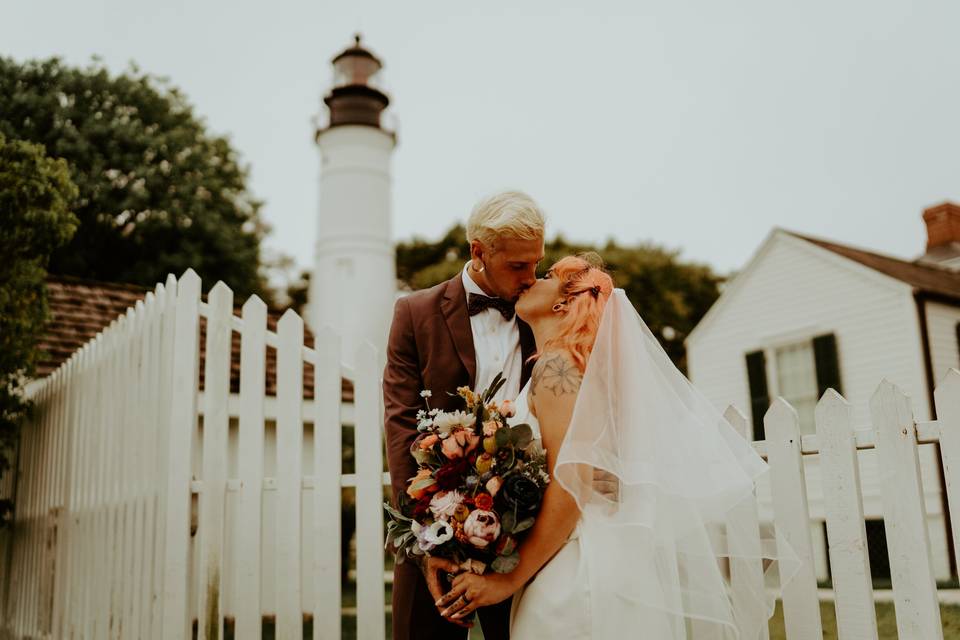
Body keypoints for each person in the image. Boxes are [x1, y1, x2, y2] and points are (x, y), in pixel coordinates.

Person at [435, 255, 799, 639]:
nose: (532, 280)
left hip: (576, 573)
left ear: (563, 302)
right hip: (608, 560)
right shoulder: (579, 371)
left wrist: (505, 583)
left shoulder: (556, 367)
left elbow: (572, 485)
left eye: (547, 276)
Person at [383, 191, 546, 640]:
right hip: (434, 526)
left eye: (536, 262)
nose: (532, 278)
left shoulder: (546, 310)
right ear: (479, 251)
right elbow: (400, 427)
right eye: (518, 266)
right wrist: (424, 538)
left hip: (526, 533)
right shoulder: (414, 313)